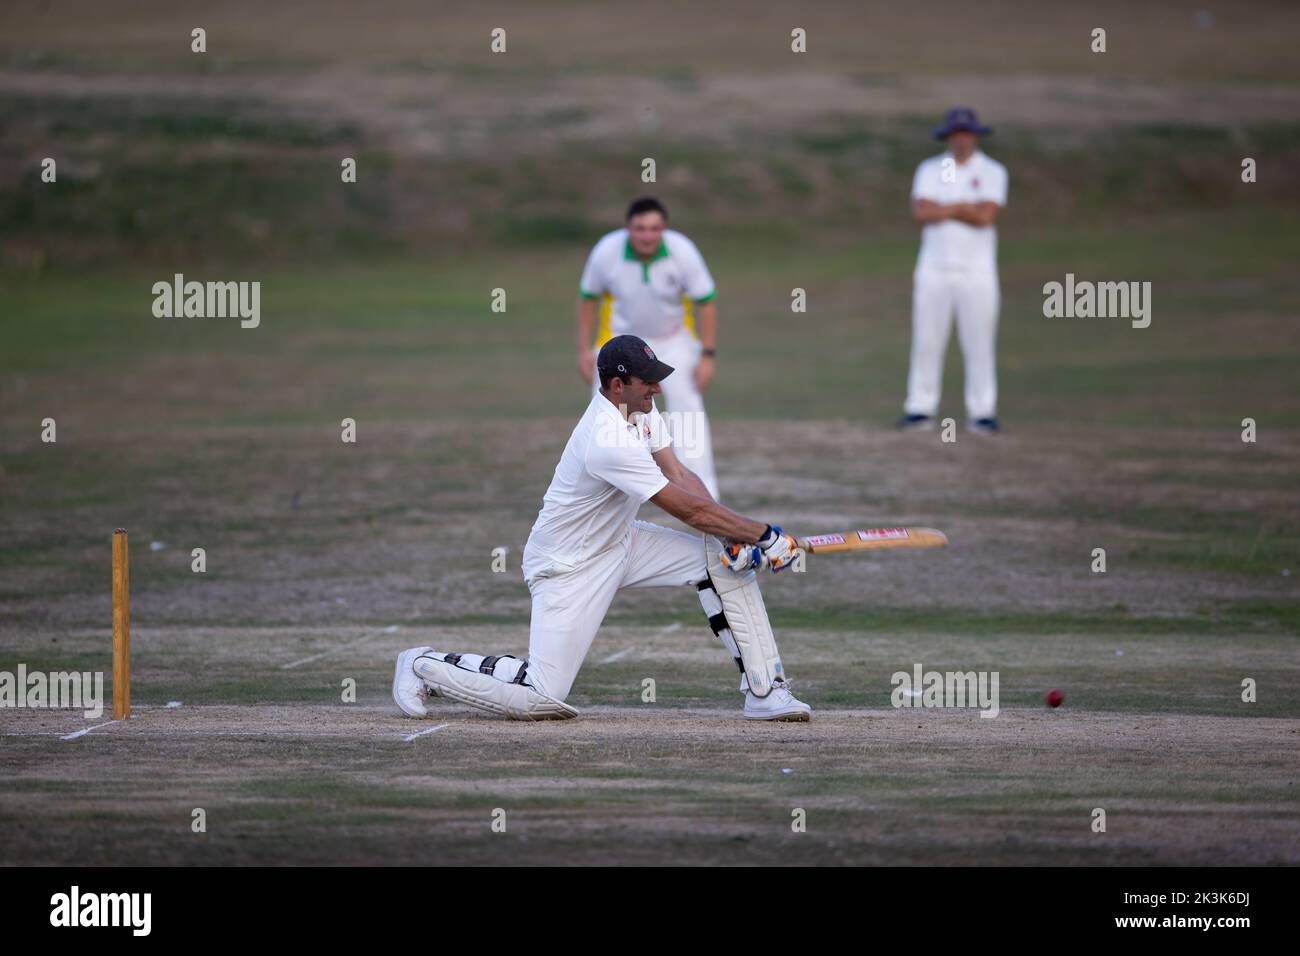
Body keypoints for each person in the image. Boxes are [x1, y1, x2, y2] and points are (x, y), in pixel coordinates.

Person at [392, 335, 811, 722]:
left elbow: (680, 475)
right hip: (568, 565)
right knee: (540, 696)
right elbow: (684, 508)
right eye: (648, 381)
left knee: (720, 560)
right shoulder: (606, 440)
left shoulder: (640, 411)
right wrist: (763, 535)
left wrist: (731, 537)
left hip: (622, 542)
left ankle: (766, 692)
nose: (657, 389)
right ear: (616, 384)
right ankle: (422, 665)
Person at [575, 197, 722, 496]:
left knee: (688, 416)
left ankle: (703, 495)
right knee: (610, 416)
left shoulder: (682, 251)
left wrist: (707, 355)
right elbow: (588, 298)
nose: (647, 236)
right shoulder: (607, 251)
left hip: (673, 342)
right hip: (617, 345)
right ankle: (609, 494)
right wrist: (584, 350)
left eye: (654, 229)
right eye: (640, 228)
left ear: (663, 230)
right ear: (628, 229)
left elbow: (706, 303)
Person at [899, 107, 1008, 435]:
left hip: (977, 270)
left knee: (979, 341)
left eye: (966, 133)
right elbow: (922, 211)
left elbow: (986, 216)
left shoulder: (991, 171)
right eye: (955, 134)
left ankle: (982, 410)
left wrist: (947, 209)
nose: (961, 140)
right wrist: (963, 206)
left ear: (975, 136)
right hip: (934, 268)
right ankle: (920, 407)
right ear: (947, 137)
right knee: (927, 340)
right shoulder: (932, 169)